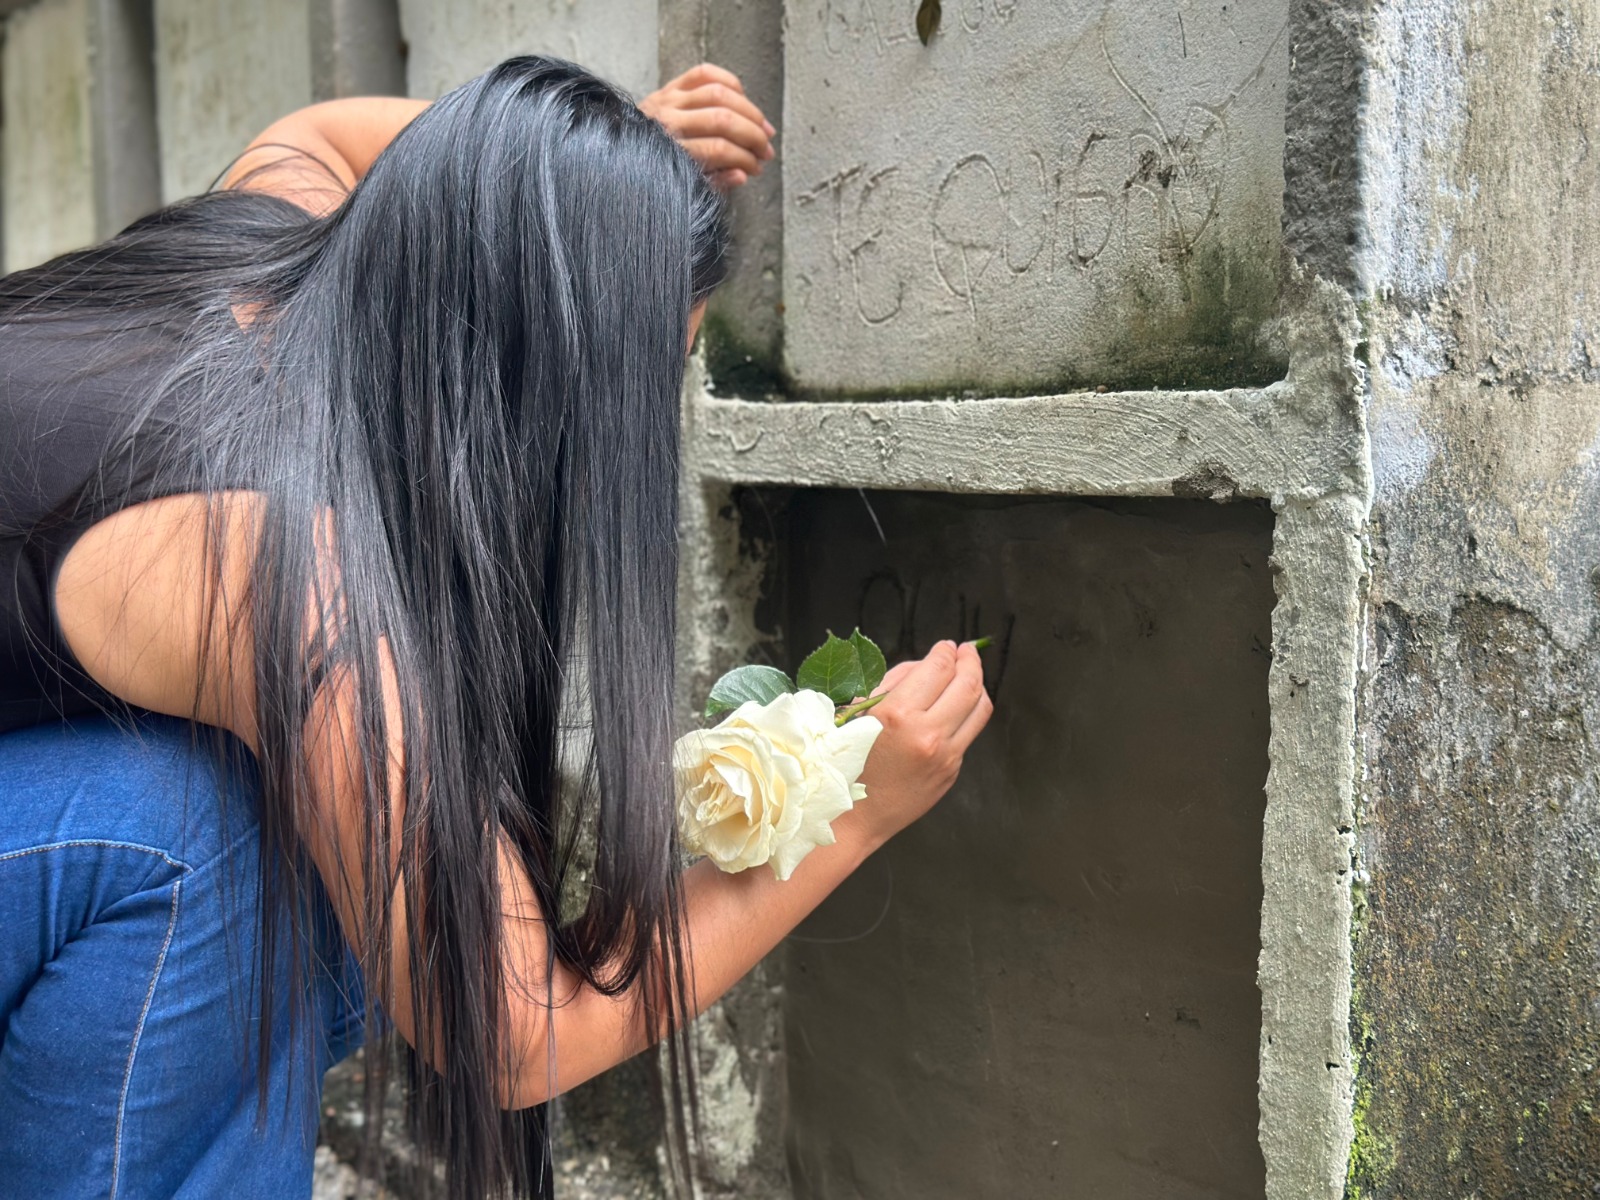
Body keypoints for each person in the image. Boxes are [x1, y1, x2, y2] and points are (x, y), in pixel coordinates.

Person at [0, 55, 992, 1199]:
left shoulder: (266, 247)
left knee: (368, 855)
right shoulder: (278, 574)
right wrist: (854, 812)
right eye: (637, 378)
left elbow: (323, 132)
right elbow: (521, 1034)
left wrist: (579, 174)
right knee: (218, 845)